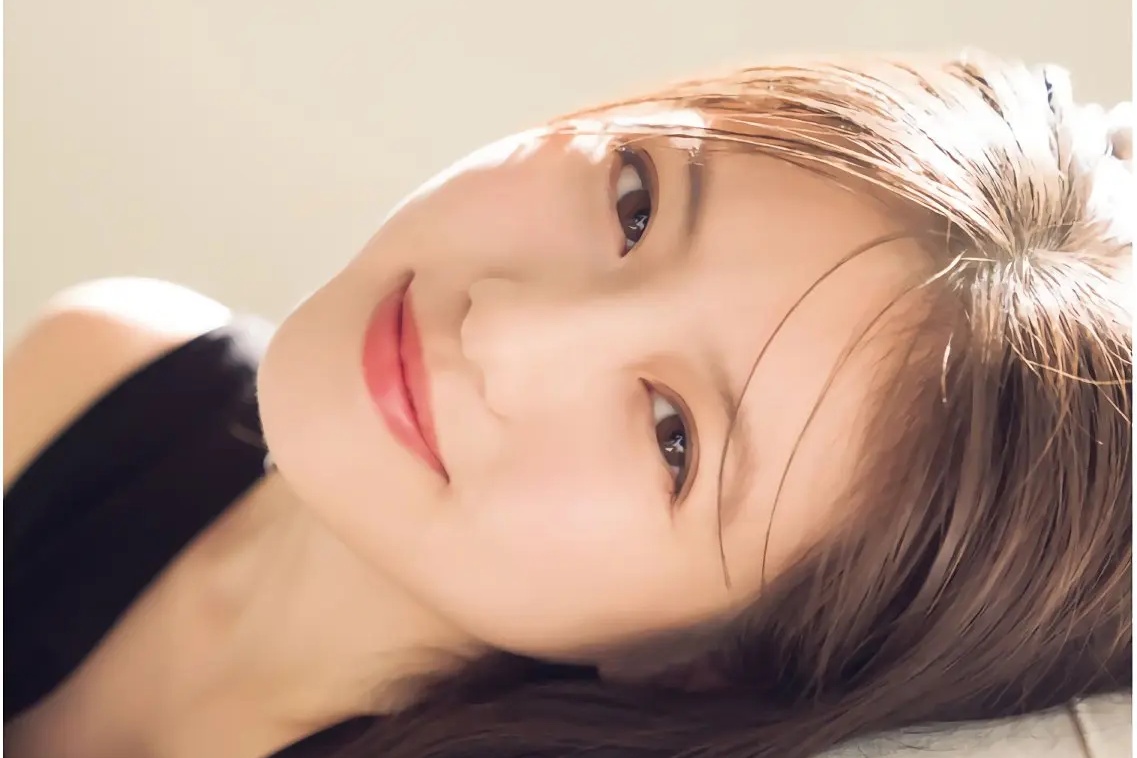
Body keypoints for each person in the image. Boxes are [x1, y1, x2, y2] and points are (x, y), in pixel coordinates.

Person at [3, 50, 1131, 758]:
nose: (504, 327)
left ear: (707, 661)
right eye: (634, 201)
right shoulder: (110, 360)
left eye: (673, 435)